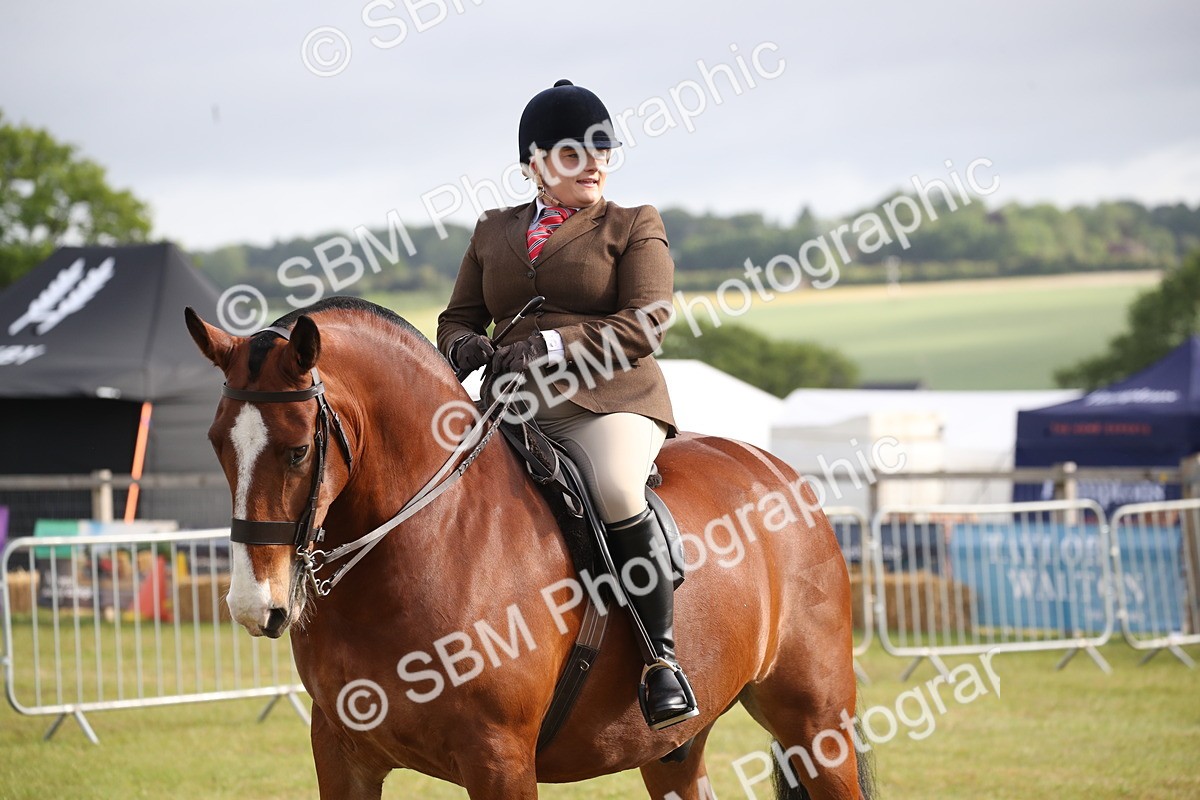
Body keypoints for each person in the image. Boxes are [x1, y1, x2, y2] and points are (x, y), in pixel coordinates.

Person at [436, 79, 699, 731]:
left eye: (604, 148)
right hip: (511, 406)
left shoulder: (634, 223)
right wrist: (466, 344)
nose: (596, 162)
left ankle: (659, 659)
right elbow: (455, 318)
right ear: (535, 163)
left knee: (613, 488)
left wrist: (553, 343)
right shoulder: (492, 231)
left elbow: (647, 324)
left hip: (608, 402)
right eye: (576, 151)